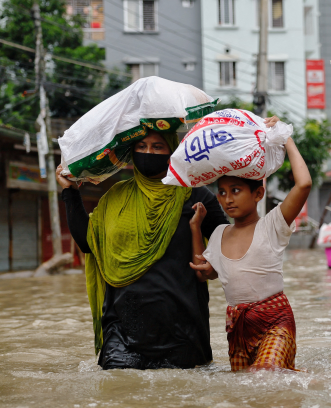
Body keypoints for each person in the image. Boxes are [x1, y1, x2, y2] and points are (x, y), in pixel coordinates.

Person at [56, 130, 229, 370]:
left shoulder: (195, 196)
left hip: (182, 330)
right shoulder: (115, 197)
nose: (149, 153)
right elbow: (88, 243)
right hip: (122, 330)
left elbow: (228, 244)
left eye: (158, 147)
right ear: (132, 151)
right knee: (120, 394)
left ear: (171, 152)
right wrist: (70, 192)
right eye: (142, 146)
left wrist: (215, 263)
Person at [189, 117, 311, 371]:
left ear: (258, 194)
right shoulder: (220, 232)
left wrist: (284, 136)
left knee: (265, 375)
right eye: (221, 192)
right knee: (247, 396)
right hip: (238, 327)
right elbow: (204, 274)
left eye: (236, 190)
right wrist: (195, 228)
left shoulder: (271, 225)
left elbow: (304, 184)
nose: (227, 199)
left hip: (276, 320)